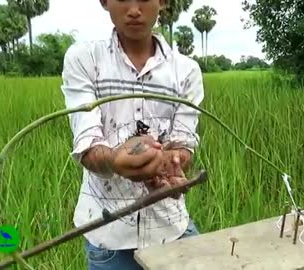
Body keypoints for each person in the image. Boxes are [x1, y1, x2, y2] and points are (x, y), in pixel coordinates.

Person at [59, 0, 204, 269]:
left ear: (162, 1)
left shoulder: (186, 72)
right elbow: (87, 142)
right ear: (104, 1)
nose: (134, 9)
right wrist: (115, 160)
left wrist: (172, 162)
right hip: (109, 235)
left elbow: (184, 144)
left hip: (171, 226)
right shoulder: (85, 59)